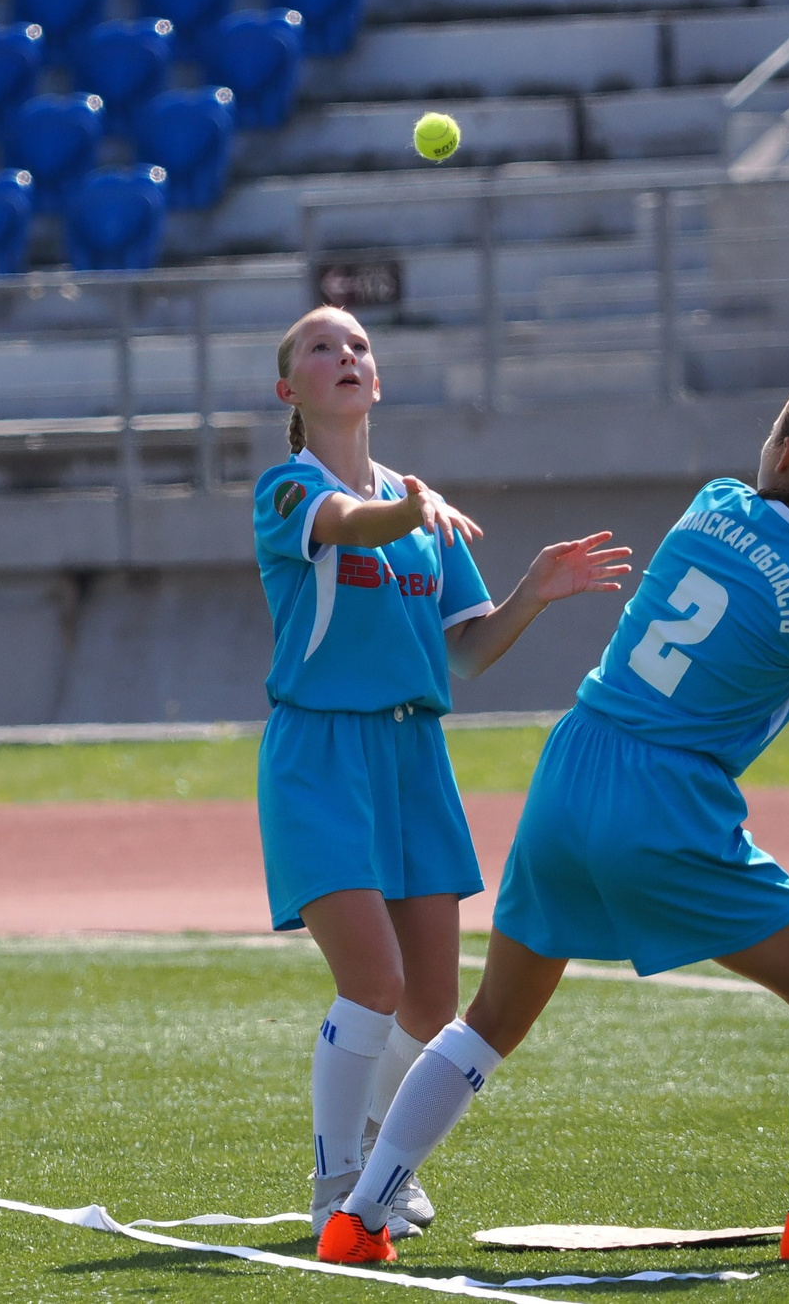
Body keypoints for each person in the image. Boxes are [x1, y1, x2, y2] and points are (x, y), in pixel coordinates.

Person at [320, 381, 789, 1266]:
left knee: (488, 1018)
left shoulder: (715, 503)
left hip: (575, 762)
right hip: (666, 799)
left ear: (783, 453)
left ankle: (359, 1215)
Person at [256, 306, 631, 1240]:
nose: (344, 355)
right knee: (371, 981)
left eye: (358, 347)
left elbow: (467, 651)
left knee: (429, 1000)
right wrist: (410, 509)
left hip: (415, 756)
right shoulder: (289, 490)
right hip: (322, 751)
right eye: (320, 347)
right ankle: (337, 1176)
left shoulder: (422, 508)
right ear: (289, 389)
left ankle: (381, 1153)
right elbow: (346, 522)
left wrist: (531, 593)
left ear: (375, 380)